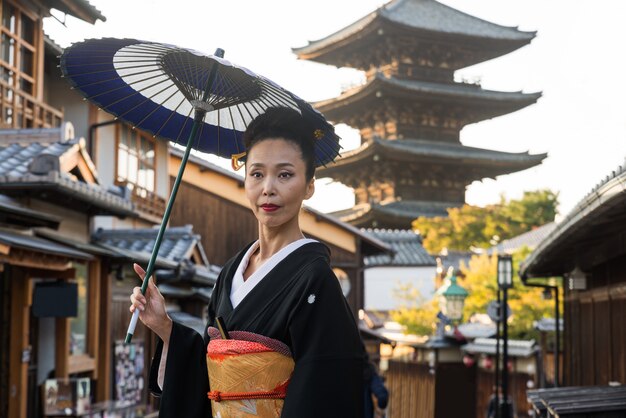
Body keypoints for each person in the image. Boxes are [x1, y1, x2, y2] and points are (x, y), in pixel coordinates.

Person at [130, 107, 364, 418]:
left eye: (285, 174)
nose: (268, 188)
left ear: (309, 185)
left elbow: (326, 387)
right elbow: (209, 376)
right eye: (257, 174)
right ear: (245, 181)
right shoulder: (231, 271)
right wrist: (164, 326)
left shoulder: (315, 278)